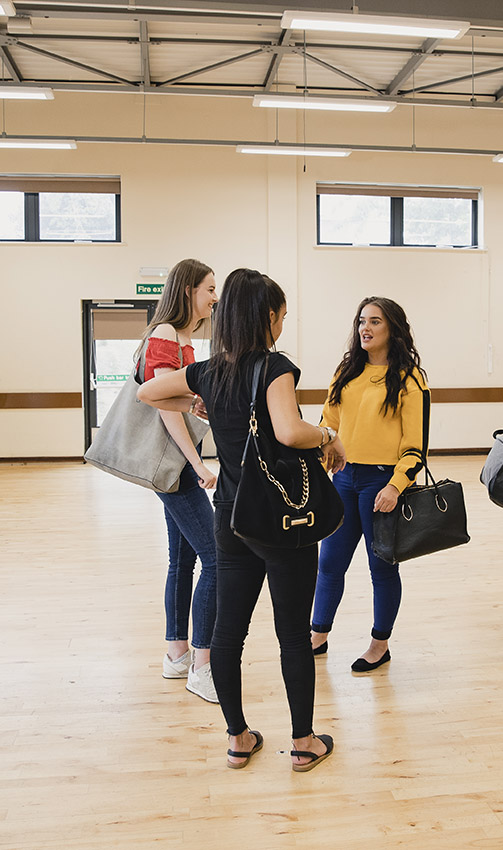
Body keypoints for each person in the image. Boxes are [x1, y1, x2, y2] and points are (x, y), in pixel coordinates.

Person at [138, 269, 342, 771]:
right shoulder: (274, 367)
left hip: (229, 514)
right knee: (293, 633)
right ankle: (302, 742)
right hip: (281, 515)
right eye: (281, 316)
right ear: (267, 316)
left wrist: (196, 402)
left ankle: (237, 737)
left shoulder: (209, 370)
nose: (281, 325)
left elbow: (146, 393)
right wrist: (329, 434)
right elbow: (290, 431)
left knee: (229, 634)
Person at [310, 297, 428, 673]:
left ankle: (380, 645)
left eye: (375, 322)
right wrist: (325, 445)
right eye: (362, 321)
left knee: (382, 568)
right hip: (344, 478)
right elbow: (328, 422)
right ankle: (317, 635)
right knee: (329, 563)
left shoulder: (410, 378)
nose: (366, 328)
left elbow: (416, 447)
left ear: (392, 328)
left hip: (381, 482)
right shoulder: (346, 370)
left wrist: (395, 486)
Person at [138, 258, 219, 703]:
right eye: (209, 288)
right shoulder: (166, 335)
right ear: (188, 290)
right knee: (217, 558)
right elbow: (166, 408)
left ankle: (176, 655)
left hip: (179, 466)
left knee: (183, 559)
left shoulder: (184, 338)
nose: (214, 297)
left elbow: (181, 400)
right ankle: (202, 668)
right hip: (176, 469)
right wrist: (199, 465)